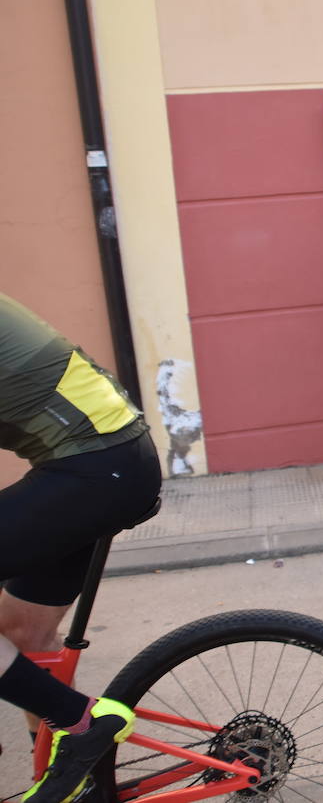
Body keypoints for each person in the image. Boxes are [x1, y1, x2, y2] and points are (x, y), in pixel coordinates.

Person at [1, 293, 162, 802]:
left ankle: (82, 726)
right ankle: (70, 781)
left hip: (97, 468)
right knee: (23, 631)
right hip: (100, 463)